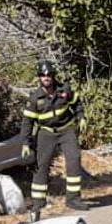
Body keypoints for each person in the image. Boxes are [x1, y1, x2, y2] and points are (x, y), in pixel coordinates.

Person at [20, 60, 88, 214]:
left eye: (49, 75)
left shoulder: (64, 90)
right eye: (43, 75)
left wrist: (81, 117)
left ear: (53, 76)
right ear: (39, 77)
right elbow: (27, 122)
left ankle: (73, 199)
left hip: (67, 130)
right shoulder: (34, 99)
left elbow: (77, 102)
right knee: (41, 166)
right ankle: (38, 203)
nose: (46, 77)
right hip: (46, 133)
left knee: (74, 159)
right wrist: (25, 143)